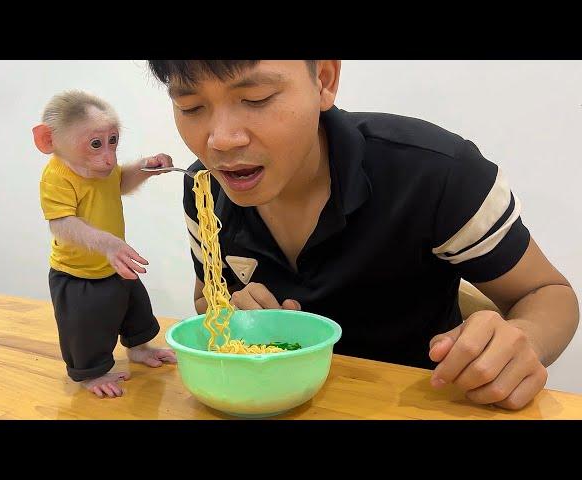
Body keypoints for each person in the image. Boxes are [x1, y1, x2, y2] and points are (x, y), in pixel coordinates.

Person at [147, 60, 578, 410]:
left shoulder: (435, 174)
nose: (220, 140)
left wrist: (528, 341)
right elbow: (208, 299)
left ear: (324, 80)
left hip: (420, 403)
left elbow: (550, 293)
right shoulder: (204, 187)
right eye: (190, 107)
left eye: (255, 99)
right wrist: (232, 312)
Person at [34, 90, 177, 398]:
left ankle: (139, 348)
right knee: (86, 326)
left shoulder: (104, 168)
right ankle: (91, 374)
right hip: (78, 274)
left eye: (113, 140)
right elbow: (61, 224)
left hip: (113, 263)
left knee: (135, 308)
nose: (109, 157)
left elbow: (120, 182)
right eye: (96, 144)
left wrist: (145, 168)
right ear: (49, 141)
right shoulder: (57, 177)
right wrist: (108, 244)